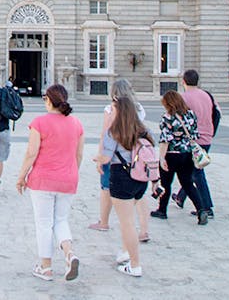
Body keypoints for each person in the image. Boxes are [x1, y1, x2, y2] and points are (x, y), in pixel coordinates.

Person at [16, 84, 84, 282]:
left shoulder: (39, 123)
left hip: (43, 180)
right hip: (68, 179)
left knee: (44, 223)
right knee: (61, 220)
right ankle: (69, 253)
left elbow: (31, 153)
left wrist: (21, 177)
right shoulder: (76, 124)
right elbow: (78, 155)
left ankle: (45, 267)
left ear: (48, 100)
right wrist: (70, 173)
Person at [95, 91, 155, 278]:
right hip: (140, 179)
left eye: (113, 109)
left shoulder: (114, 132)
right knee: (129, 220)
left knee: (127, 223)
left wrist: (97, 158)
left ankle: (134, 264)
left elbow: (106, 157)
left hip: (122, 177)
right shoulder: (145, 130)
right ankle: (127, 251)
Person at [88, 79, 151, 244]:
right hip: (136, 155)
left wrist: (101, 156)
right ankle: (144, 230)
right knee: (139, 195)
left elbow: (106, 134)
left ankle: (104, 222)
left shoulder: (111, 109)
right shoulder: (138, 108)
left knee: (106, 188)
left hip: (117, 157)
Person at [152, 90, 206, 225]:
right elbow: (195, 134)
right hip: (187, 154)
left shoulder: (168, 117)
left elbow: (165, 139)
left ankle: (162, 210)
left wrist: (162, 158)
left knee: (166, 183)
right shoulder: (191, 115)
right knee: (187, 183)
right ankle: (201, 210)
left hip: (171, 154)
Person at [179, 69, 217, 219]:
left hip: (193, 139)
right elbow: (216, 113)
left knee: (197, 173)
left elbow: (180, 120)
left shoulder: (184, 97)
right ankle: (180, 197)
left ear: (184, 81)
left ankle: (207, 207)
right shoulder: (207, 95)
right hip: (207, 136)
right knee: (191, 170)